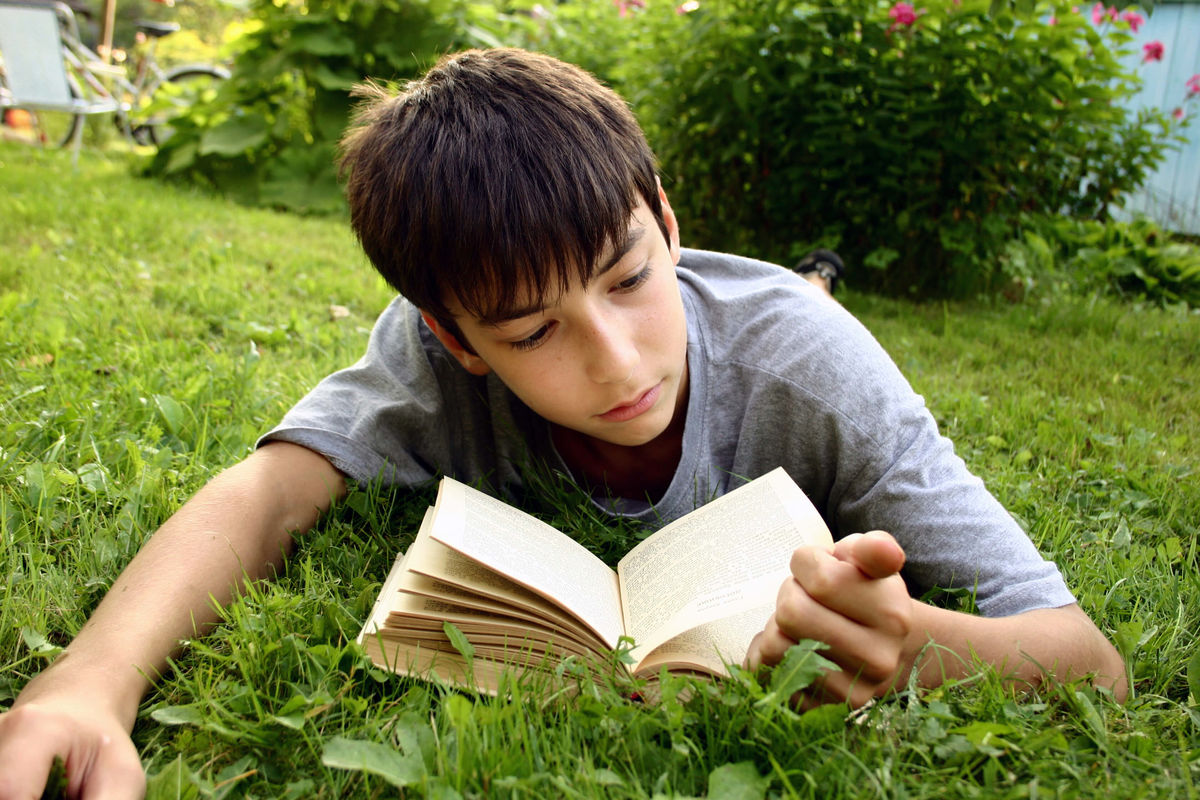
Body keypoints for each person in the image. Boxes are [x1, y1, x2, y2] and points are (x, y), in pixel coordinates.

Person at [0, 47, 1125, 798]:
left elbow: (1091, 661)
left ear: (667, 220)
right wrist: (87, 681)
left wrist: (918, 645)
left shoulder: (814, 371)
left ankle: (811, 273)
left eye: (629, 276)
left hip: (781, 312)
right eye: (532, 333)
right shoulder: (426, 353)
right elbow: (268, 491)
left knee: (796, 301)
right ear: (454, 337)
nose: (618, 359)